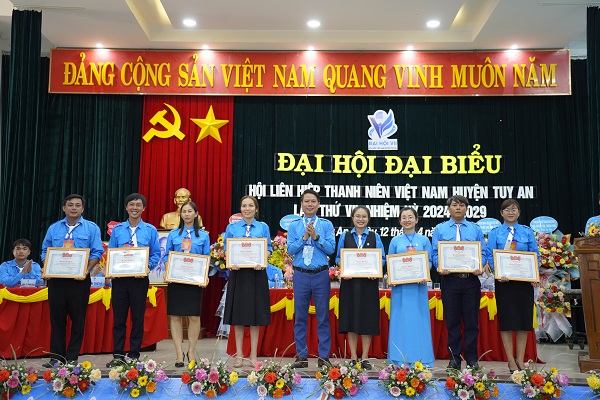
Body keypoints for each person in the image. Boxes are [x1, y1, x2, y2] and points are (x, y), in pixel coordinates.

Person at [41, 194, 104, 367]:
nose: (74, 208)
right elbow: (45, 250)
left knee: (78, 320)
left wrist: (85, 271)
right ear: (64, 208)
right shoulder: (54, 228)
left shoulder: (91, 228)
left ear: (82, 209)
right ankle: (56, 357)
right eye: (70, 205)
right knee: (57, 320)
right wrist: (47, 266)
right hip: (57, 281)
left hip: (79, 280)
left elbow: (97, 252)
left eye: (77, 205)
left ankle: (72, 357)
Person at [431, 195, 489, 370]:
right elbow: (435, 253)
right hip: (450, 281)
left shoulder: (475, 229)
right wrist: (439, 266)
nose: (458, 208)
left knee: (472, 323)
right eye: (455, 205)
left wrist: (480, 266)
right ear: (448, 209)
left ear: (466, 209)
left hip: (471, 280)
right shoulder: (440, 229)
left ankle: (472, 360)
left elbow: (483, 252)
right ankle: (454, 359)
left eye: (462, 205)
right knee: (452, 323)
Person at [106, 193, 161, 367]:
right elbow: (111, 252)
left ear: (143, 208)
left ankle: (134, 354)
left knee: (138, 318)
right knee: (119, 319)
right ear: (126, 207)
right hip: (120, 280)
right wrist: (112, 268)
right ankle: (118, 354)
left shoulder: (150, 230)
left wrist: (146, 267)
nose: (134, 208)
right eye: (131, 204)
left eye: (138, 205)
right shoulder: (117, 230)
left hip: (139, 280)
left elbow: (156, 254)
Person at [284, 189, 336, 368]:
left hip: (320, 274)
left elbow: (331, 249)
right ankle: (301, 356)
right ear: (301, 204)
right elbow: (290, 249)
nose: (310, 204)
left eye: (313, 201)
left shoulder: (326, 225)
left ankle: (324, 356)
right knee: (300, 317)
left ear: (318, 204)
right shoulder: (294, 226)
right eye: (306, 201)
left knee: (323, 317)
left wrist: (316, 237)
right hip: (301, 275)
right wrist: (305, 237)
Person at [487, 199, 539, 372]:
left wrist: (534, 274)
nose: (510, 212)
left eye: (514, 209)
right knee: (507, 321)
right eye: (507, 209)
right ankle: (510, 359)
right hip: (504, 283)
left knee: (523, 321)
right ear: (501, 213)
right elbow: (489, 255)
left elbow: (535, 254)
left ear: (519, 212)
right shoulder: (495, 233)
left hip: (524, 283)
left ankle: (520, 359)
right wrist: (498, 272)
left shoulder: (527, 232)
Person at [223, 195, 273, 367]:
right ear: (240, 209)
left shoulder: (263, 227)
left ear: (256, 209)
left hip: (257, 275)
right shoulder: (232, 228)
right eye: (244, 205)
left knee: (255, 316)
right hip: (238, 275)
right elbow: (227, 249)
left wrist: (262, 259)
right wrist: (231, 261)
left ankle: (253, 356)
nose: (247, 209)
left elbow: (268, 248)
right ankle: (239, 355)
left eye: (251, 206)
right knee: (238, 317)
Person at [335, 206, 385, 370]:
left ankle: (364, 357)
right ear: (352, 218)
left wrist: (376, 270)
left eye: (364, 216)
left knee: (367, 319)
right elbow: (338, 258)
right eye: (358, 216)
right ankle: (353, 357)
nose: (361, 219)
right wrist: (344, 267)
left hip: (368, 284)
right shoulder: (345, 236)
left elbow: (382, 259)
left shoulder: (375, 236)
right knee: (351, 318)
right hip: (350, 284)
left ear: (368, 219)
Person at [163, 201, 210, 367]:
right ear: (181, 214)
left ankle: (191, 351)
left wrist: (205, 276)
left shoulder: (203, 235)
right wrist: (168, 270)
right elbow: (166, 255)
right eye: (184, 211)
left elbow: (206, 258)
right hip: (176, 280)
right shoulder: (173, 234)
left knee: (194, 316)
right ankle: (178, 353)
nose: (187, 214)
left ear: (196, 214)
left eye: (190, 211)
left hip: (194, 281)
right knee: (175, 316)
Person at [387, 207, 435, 366]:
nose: (407, 220)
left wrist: (424, 273)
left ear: (416, 219)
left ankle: (422, 359)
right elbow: (391, 262)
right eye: (404, 217)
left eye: (410, 217)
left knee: (418, 322)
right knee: (400, 321)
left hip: (418, 288)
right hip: (400, 289)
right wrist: (392, 276)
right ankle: (398, 358)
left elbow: (429, 262)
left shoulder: (424, 240)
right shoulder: (395, 241)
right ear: (400, 221)